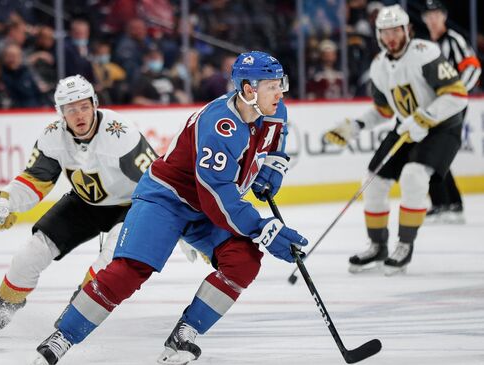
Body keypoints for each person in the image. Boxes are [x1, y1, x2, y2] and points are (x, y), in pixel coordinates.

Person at [32, 51, 309, 365]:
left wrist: (273, 165)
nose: (281, 92)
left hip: (206, 206)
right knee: (129, 271)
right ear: (248, 89)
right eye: (273, 85)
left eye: (281, 83)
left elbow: (277, 134)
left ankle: (185, 334)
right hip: (166, 200)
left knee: (243, 261)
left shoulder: (273, 110)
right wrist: (262, 229)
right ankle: (62, 337)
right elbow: (216, 197)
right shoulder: (219, 126)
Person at [0, 74, 158, 338]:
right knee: (30, 253)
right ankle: (1, 311)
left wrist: (180, 224)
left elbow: (158, 182)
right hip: (84, 202)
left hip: (130, 206)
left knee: (108, 262)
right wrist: (5, 201)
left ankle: (77, 314)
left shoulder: (120, 134)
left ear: (95, 104)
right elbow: (35, 180)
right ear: (60, 113)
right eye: (71, 109)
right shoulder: (53, 136)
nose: (79, 115)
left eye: (84, 106)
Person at [324, 5, 468, 276]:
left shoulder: (426, 54)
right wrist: (355, 126)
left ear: (407, 31)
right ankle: (377, 245)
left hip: (442, 128)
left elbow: (457, 94)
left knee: (414, 177)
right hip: (408, 127)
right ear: (378, 35)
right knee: (374, 181)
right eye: (385, 32)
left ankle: (404, 245)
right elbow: (384, 110)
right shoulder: (379, 66)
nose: (391, 37)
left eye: (396, 31)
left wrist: (425, 117)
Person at [421, 0, 481, 224]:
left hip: (451, 107)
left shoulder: (454, 40)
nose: (433, 19)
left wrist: (456, 95)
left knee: (434, 151)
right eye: (429, 15)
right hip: (436, 107)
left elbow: (473, 66)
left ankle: (446, 204)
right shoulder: (428, 46)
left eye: (436, 14)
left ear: (444, 16)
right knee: (434, 152)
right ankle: (448, 203)